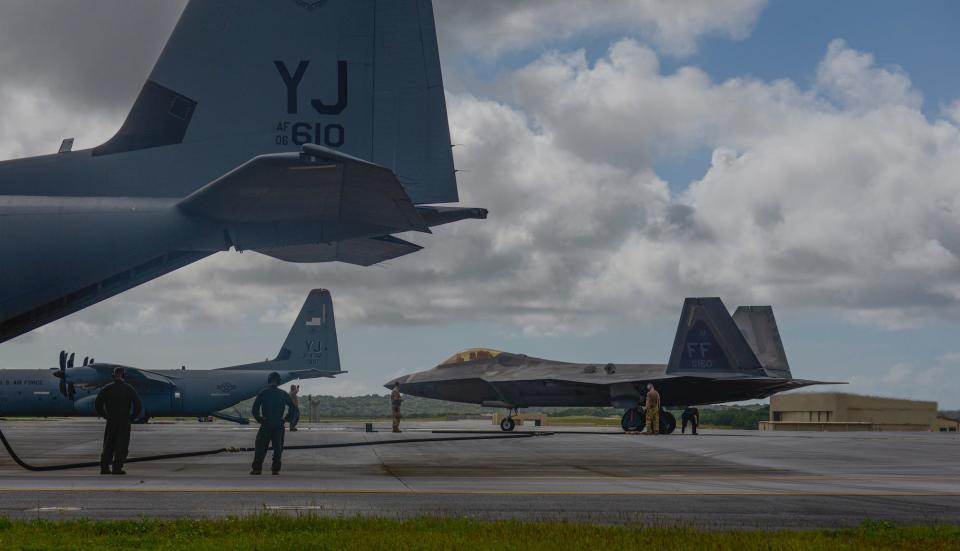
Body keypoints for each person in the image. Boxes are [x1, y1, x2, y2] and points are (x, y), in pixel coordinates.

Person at [94, 367, 142, 475]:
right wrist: (132, 417)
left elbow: (97, 404)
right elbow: (138, 404)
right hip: (124, 421)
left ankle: (104, 468)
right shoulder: (129, 388)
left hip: (111, 420)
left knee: (108, 444)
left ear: (112, 375)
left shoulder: (107, 388)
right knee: (122, 445)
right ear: (124, 375)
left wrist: (105, 415)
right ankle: (117, 468)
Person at [250, 372, 298, 475]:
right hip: (278, 424)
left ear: (269, 380)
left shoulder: (263, 393)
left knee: (260, 448)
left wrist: (260, 419)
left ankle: (257, 469)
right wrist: (286, 419)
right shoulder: (283, 394)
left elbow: (254, 410)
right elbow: (293, 407)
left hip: (266, 424)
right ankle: (275, 469)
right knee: (278, 448)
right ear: (279, 381)